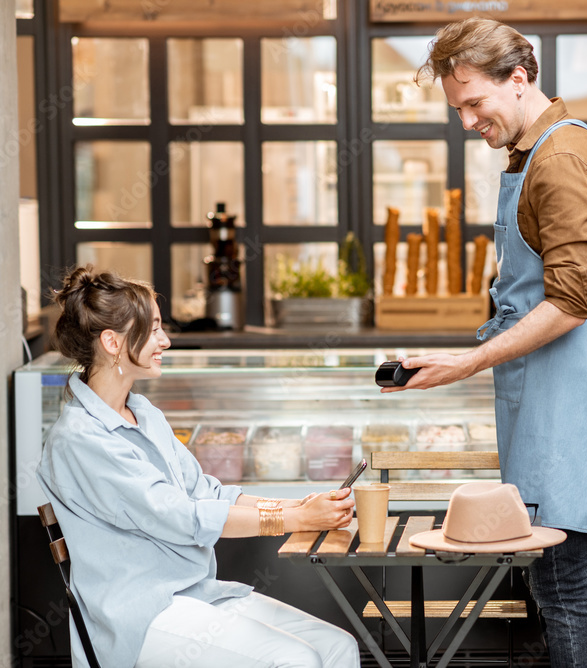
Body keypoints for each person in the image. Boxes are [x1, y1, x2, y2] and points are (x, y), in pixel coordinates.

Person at [387, 18, 587, 668]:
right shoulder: (532, 153)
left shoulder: (560, 159)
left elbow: (571, 302)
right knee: (550, 577)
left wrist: (466, 362)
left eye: (474, 103)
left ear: (519, 79)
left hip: (567, 388)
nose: (467, 120)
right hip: (544, 387)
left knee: (563, 580)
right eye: (458, 106)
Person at [36, 265, 360, 668]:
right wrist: (293, 518)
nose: (165, 341)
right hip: (140, 616)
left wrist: (300, 506)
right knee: (295, 659)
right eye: (153, 329)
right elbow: (183, 518)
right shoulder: (81, 440)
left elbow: (207, 493)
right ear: (112, 341)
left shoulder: (143, 413)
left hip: (194, 593)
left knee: (338, 647)